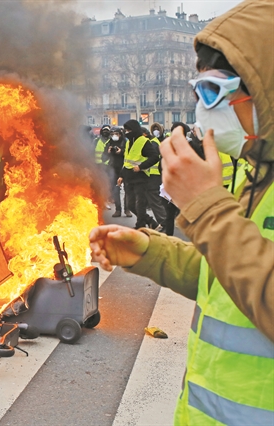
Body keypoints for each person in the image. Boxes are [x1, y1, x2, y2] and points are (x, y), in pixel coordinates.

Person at [90, 1, 273, 423]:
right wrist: (148, 252)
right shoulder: (258, 172)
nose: (201, 107)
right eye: (197, 91)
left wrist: (206, 206)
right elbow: (228, 278)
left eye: (213, 91)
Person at [117, 120, 161, 229]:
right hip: (129, 178)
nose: (127, 132)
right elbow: (127, 161)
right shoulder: (128, 142)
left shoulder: (144, 141)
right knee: (130, 204)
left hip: (141, 178)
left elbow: (155, 157)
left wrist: (141, 167)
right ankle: (152, 222)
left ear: (135, 130)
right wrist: (121, 176)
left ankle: (140, 226)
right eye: (126, 130)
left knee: (140, 205)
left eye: (129, 130)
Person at [104, 126, 125, 217]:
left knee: (128, 191)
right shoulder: (109, 143)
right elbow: (103, 157)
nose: (114, 136)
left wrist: (121, 152)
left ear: (120, 134)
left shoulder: (125, 142)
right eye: (112, 134)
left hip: (125, 168)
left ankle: (127, 209)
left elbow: (129, 155)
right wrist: (107, 152)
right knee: (115, 190)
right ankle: (118, 210)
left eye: (116, 134)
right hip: (113, 169)